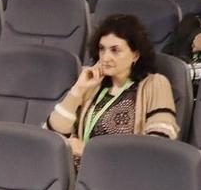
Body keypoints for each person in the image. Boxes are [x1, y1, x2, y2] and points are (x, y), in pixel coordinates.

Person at [48, 14, 179, 156]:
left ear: (135, 55)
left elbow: (158, 145)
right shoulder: (92, 85)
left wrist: (88, 150)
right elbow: (53, 135)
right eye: (102, 49)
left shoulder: (154, 84)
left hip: (121, 173)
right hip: (79, 171)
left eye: (115, 50)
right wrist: (78, 90)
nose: (105, 57)